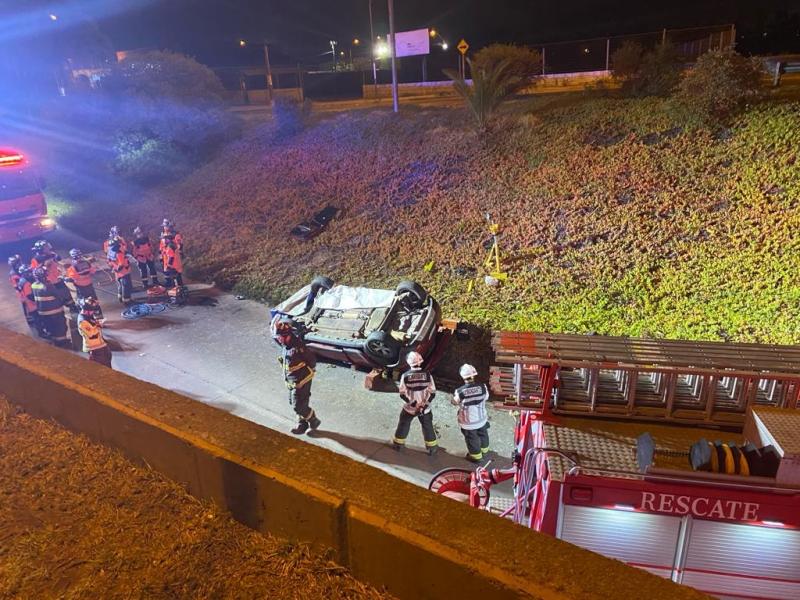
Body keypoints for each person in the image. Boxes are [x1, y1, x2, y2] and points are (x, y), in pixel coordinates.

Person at [274, 316, 321, 434]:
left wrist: (305, 377)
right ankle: (302, 424)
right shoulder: (286, 345)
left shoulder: (298, 347)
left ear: (288, 335)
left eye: (281, 337)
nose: (279, 339)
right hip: (292, 381)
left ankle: (313, 419)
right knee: (295, 402)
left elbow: (312, 361)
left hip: (302, 380)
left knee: (298, 405)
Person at [393, 351, 438, 455]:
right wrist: (423, 406)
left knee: (403, 424)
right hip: (425, 409)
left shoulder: (405, 376)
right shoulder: (427, 375)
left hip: (410, 408)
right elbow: (432, 392)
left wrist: (414, 404)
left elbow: (402, 394)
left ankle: (398, 444)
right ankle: (432, 448)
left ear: (408, 362)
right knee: (428, 426)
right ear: (420, 361)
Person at [452, 364, 491, 463]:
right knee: (483, 434)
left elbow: (455, 402)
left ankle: (476, 457)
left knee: (471, 439)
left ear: (462, 377)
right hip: (481, 419)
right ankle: (485, 451)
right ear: (474, 375)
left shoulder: (460, 391)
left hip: (468, 423)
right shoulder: (483, 387)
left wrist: (453, 400)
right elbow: (486, 397)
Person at [30, 240, 77, 312]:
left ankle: (73, 308)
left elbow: (59, 260)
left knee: (67, 295)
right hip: (49, 283)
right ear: (41, 249)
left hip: (58, 279)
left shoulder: (52, 254)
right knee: (55, 298)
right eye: (46, 247)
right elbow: (36, 272)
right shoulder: (36, 259)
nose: (48, 248)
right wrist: (44, 265)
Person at [31, 266, 71, 348]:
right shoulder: (48, 286)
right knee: (60, 327)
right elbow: (59, 296)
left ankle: (55, 341)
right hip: (55, 311)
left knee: (50, 327)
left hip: (42, 312)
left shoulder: (34, 285)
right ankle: (62, 343)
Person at [77, 297, 112, 367]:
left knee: (108, 357)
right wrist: (99, 326)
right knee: (103, 364)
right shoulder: (83, 321)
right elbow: (91, 334)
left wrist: (97, 322)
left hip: (100, 345)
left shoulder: (88, 317)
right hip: (94, 348)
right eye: (92, 311)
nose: (93, 312)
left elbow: (92, 324)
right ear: (86, 311)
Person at [15, 264, 45, 337]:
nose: (30, 273)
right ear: (24, 273)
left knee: (36, 318)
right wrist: (37, 300)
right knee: (37, 319)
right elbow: (29, 295)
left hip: (28, 303)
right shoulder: (26, 283)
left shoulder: (22, 280)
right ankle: (41, 333)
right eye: (28, 272)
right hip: (32, 304)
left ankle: (41, 331)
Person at [107, 238, 133, 304]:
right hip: (124, 272)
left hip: (117, 273)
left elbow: (109, 262)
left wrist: (115, 269)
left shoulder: (110, 253)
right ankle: (126, 300)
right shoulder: (119, 253)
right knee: (126, 286)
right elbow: (121, 264)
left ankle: (120, 296)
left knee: (120, 285)